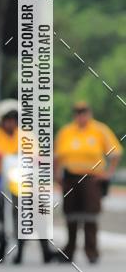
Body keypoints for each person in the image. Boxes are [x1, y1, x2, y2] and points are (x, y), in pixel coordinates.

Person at [0, 102, 57, 263]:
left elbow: (36, 155)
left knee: (38, 206)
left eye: (14, 119)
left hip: (21, 179)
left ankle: (46, 250)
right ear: (0, 120)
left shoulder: (26, 136)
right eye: (7, 119)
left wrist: (38, 159)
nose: (11, 122)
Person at [54, 101, 122, 263]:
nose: (81, 116)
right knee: (71, 215)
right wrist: (56, 175)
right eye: (78, 113)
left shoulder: (100, 130)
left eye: (84, 112)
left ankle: (91, 251)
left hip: (92, 178)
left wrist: (109, 173)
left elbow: (115, 152)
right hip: (70, 177)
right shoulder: (66, 132)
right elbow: (57, 156)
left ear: (89, 113)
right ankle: (69, 251)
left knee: (90, 215)